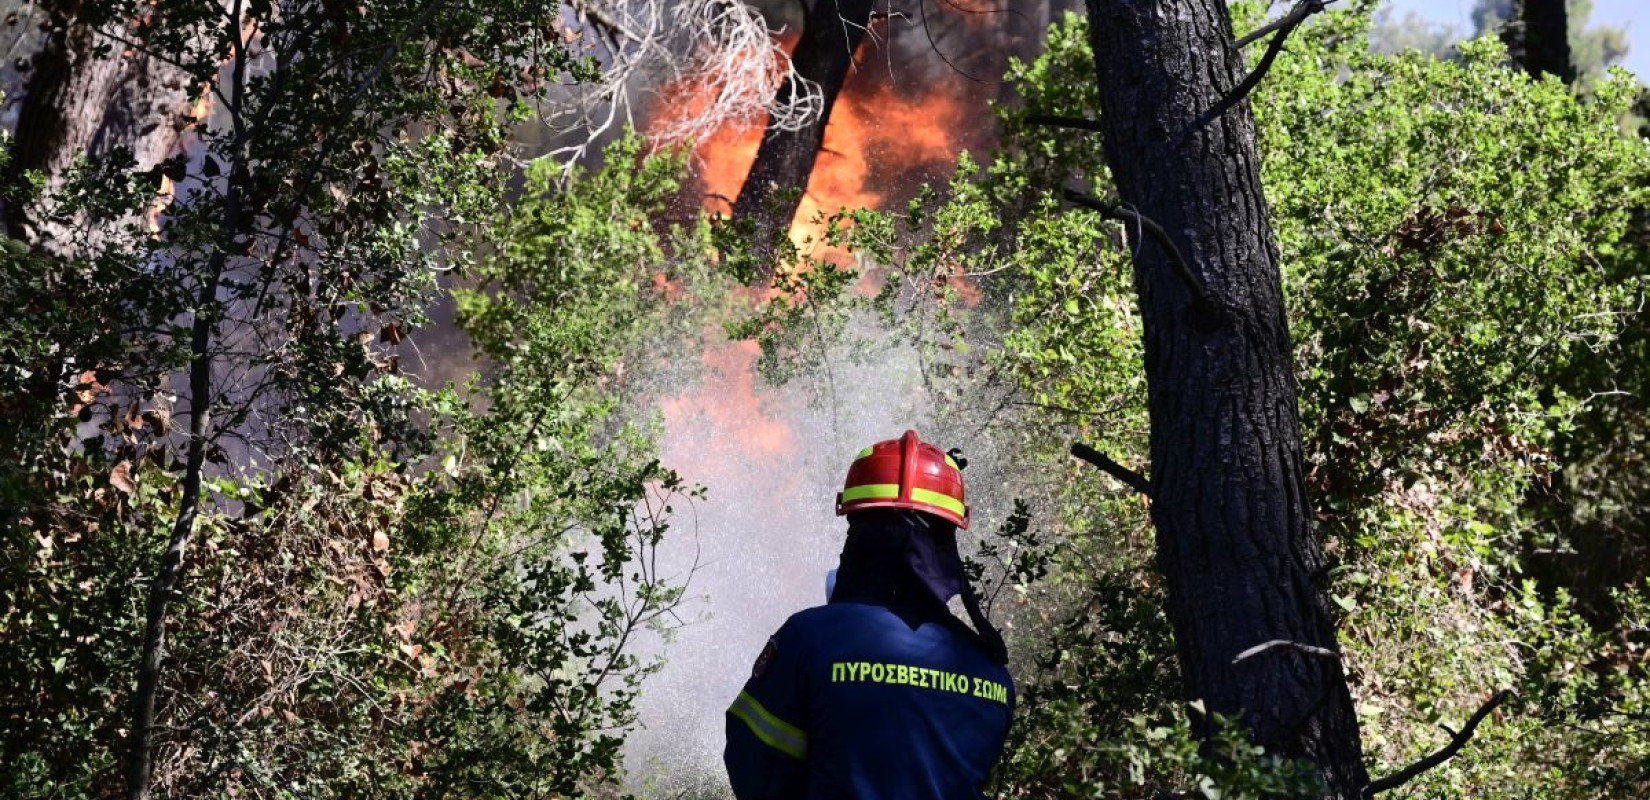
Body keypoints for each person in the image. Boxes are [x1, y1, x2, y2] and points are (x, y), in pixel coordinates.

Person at [724, 430, 1014, 800]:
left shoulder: (808, 639)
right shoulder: (990, 672)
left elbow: (755, 764)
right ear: (948, 537)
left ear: (859, 530)